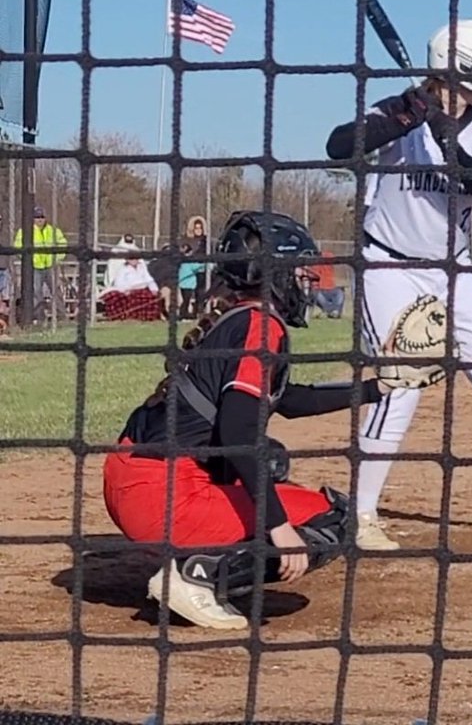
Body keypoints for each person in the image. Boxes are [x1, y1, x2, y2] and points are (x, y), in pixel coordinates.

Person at [102, 209, 443, 631]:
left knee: (274, 464)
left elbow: (287, 399)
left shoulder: (235, 316)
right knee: (334, 519)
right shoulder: (262, 326)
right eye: (298, 269)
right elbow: (238, 431)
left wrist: (378, 388)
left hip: (130, 476)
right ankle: (197, 578)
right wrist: (278, 527)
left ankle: (192, 555)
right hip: (163, 494)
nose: (305, 279)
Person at [326, 18, 472, 551]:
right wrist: (412, 113)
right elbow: (340, 145)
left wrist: (446, 132)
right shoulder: (398, 109)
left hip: (453, 271)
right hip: (388, 267)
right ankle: (360, 516)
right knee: (400, 385)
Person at [14, 206, 67, 323]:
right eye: (37, 217)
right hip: (35, 267)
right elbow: (18, 246)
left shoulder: (53, 231)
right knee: (36, 293)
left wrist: (57, 258)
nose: (39, 219)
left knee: (56, 291)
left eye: (42, 217)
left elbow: (63, 244)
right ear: (32, 218)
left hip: (50, 266)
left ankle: (61, 316)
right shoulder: (25, 231)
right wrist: (29, 261)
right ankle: (39, 318)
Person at [98, 254, 163, 322]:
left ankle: (148, 316)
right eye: (132, 258)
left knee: (152, 295)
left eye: (136, 258)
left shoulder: (142, 267)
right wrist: (126, 290)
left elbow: (149, 279)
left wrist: (154, 289)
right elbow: (119, 283)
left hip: (141, 287)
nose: (134, 260)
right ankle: (124, 316)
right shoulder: (123, 268)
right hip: (128, 289)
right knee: (118, 297)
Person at [306, 250, 346, 319]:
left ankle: (332, 311)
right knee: (317, 295)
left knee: (340, 293)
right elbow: (311, 275)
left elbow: (330, 256)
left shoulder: (327, 258)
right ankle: (331, 311)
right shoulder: (311, 264)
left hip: (331, 288)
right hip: (317, 289)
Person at [186, 216, 209, 314]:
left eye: (200, 228)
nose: (198, 230)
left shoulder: (205, 241)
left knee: (200, 289)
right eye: (196, 228)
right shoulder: (189, 241)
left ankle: (199, 308)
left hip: (201, 268)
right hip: (189, 269)